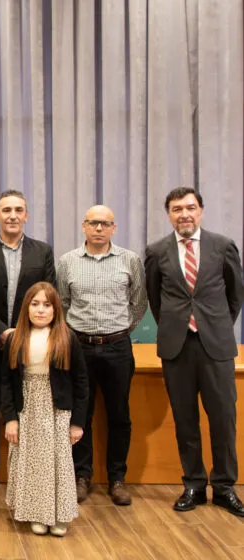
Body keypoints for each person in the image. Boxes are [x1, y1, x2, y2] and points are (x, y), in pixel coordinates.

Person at [145, 187, 244, 516]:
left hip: (215, 346)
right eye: (176, 209)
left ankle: (225, 486)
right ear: (169, 214)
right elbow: (155, 300)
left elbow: (234, 295)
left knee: (223, 418)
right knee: (185, 419)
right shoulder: (157, 250)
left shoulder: (222, 245)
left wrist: (214, 325)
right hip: (177, 347)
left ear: (200, 210)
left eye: (190, 207)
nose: (184, 214)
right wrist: (177, 326)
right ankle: (194, 484)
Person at [0, 190, 56, 497]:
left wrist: (21, 334)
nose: (12, 215)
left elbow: (49, 295)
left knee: (28, 410)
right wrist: (2, 332)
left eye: (19, 209)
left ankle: (31, 472)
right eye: (6, 210)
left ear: (26, 215)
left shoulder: (42, 251)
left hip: (31, 346)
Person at [57, 205, 147, 506]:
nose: (98, 228)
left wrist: (118, 330)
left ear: (114, 227)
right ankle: (82, 476)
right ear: (84, 226)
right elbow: (63, 303)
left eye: (105, 223)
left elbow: (138, 304)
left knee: (119, 415)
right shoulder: (67, 261)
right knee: (81, 414)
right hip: (79, 347)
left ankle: (117, 477)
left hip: (117, 346)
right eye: (93, 223)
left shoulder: (129, 260)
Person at [1, 282, 88, 537]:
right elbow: (6, 382)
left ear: (56, 309)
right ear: (26, 308)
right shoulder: (15, 337)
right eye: (35, 304)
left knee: (57, 460)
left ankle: (58, 515)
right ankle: (37, 513)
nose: (40, 310)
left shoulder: (67, 338)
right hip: (27, 406)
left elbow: (81, 382)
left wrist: (77, 422)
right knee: (31, 459)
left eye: (47, 305)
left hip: (57, 409)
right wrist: (10, 419)